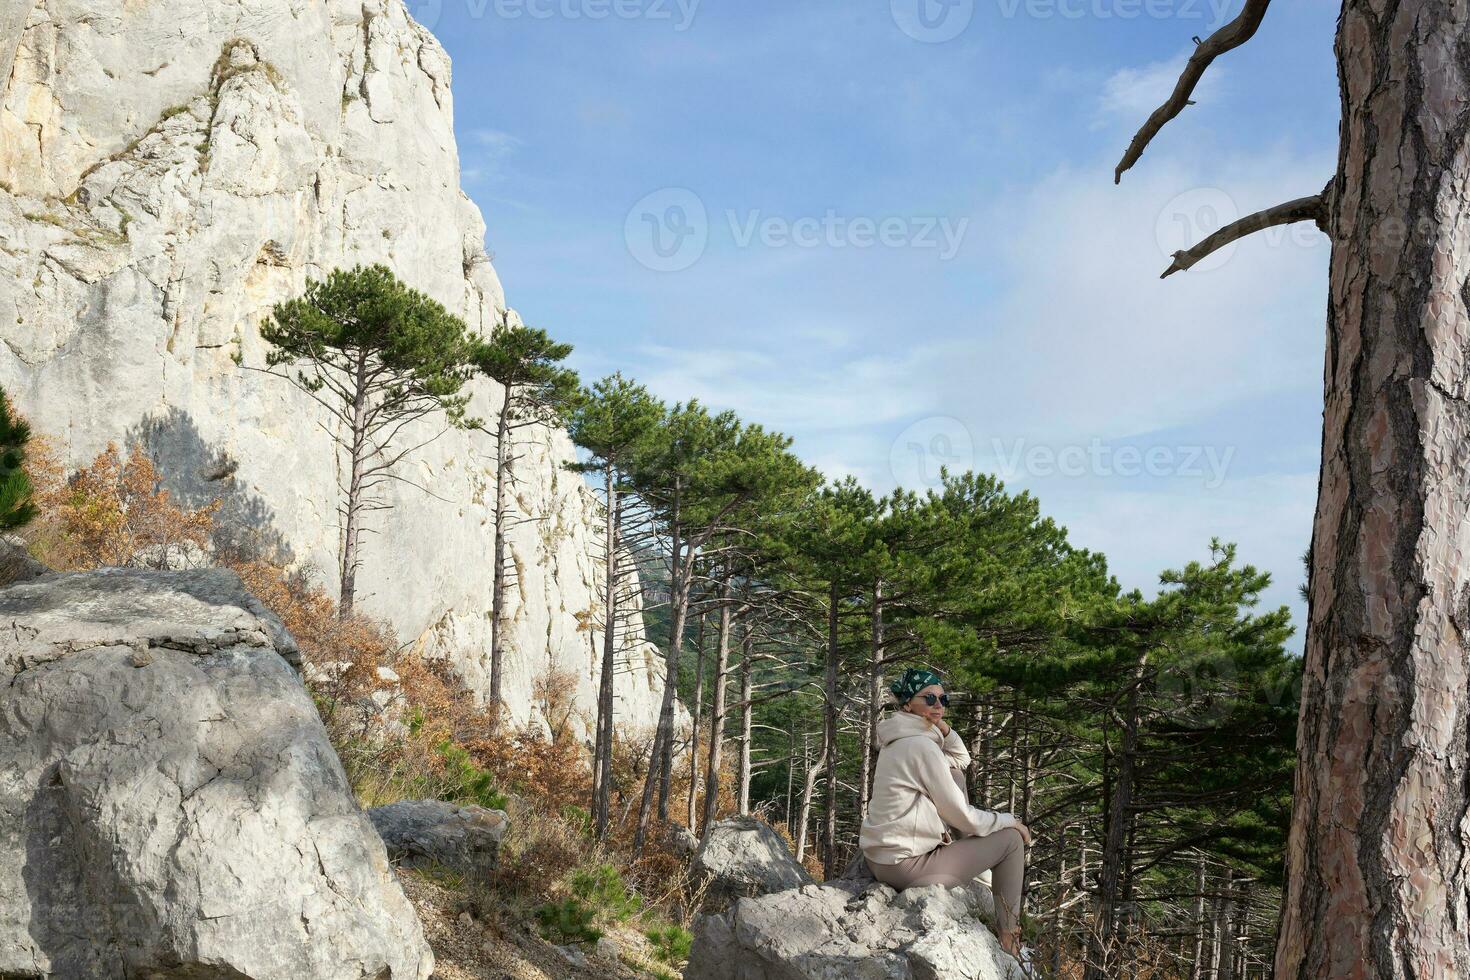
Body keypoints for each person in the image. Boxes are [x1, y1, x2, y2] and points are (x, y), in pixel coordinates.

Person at [859, 667, 1032, 958]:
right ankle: (1009, 940)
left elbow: (961, 760)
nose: (938, 705)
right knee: (1012, 841)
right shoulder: (921, 747)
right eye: (929, 698)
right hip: (906, 868)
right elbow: (961, 816)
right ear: (907, 704)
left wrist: (944, 729)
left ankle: (972, 859)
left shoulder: (900, 739)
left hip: (882, 858)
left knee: (954, 776)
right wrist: (1009, 821)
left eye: (943, 699)